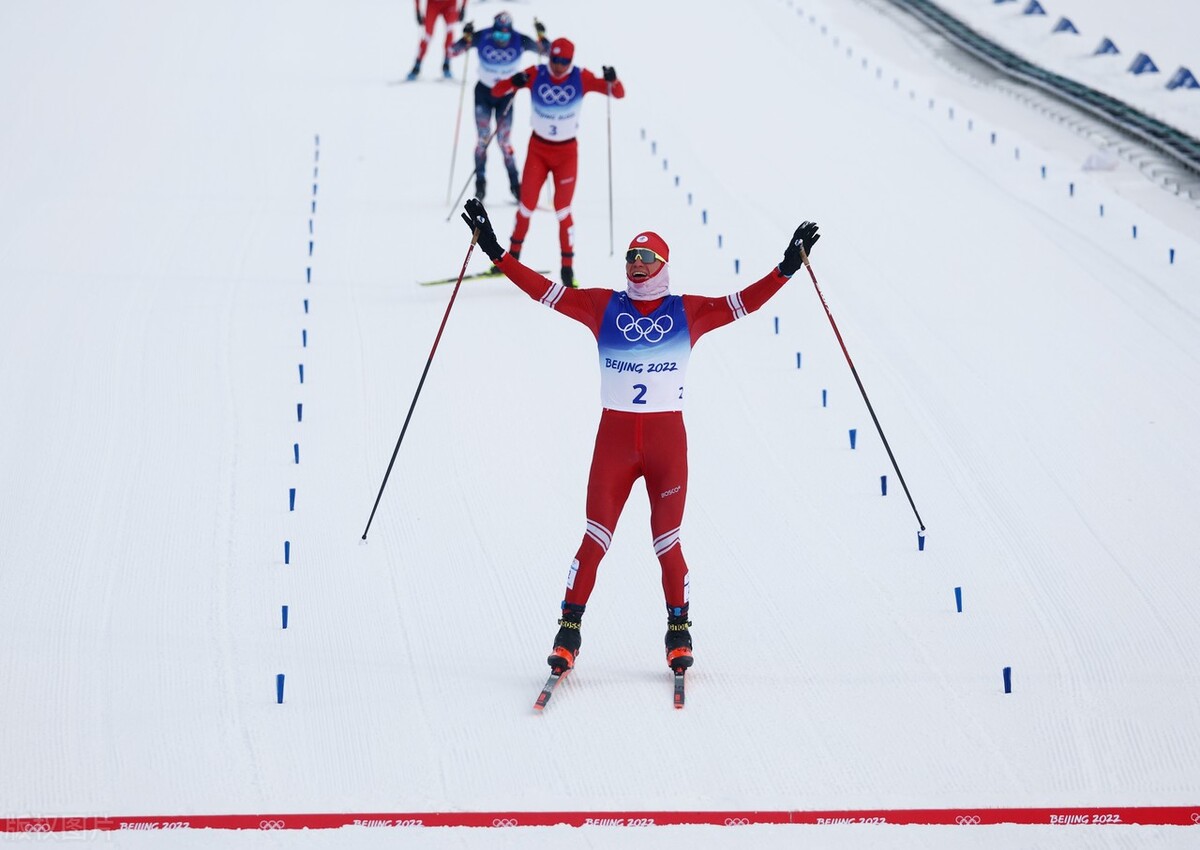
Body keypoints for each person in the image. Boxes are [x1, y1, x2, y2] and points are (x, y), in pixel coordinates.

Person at [459, 197, 821, 675]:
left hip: (666, 444)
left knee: (667, 541)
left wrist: (787, 267)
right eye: (630, 256)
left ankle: (679, 631)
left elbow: (742, 303)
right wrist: (494, 251)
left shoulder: (687, 312)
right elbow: (543, 291)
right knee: (594, 538)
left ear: (663, 265)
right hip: (615, 443)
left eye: (645, 257)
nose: (636, 263)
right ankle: (568, 631)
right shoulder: (601, 305)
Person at [491, 38, 624, 288]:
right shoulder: (536, 73)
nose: (559, 66)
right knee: (526, 206)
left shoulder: (581, 77)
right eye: (555, 59)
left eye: (564, 61)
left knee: (563, 210)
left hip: (566, 153)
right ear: (549, 56)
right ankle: (512, 259)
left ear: (571, 61)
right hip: (538, 149)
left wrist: (612, 79)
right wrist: (513, 82)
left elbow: (618, 93)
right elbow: (497, 91)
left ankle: (567, 270)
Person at [448, 13, 550, 202]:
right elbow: (452, 51)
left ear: (510, 33)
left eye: (505, 37)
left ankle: (515, 185)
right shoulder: (482, 36)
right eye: (498, 36)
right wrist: (466, 37)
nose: (501, 40)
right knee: (482, 140)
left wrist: (541, 36)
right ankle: (480, 184)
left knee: (504, 142)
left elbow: (548, 53)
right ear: (492, 31)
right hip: (483, 94)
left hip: (506, 96)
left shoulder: (520, 39)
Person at [407, 0, 465, 81]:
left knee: (450, 30)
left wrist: (463, 8)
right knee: (428, 35)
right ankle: (417, 65)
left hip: (450, 4)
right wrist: (417, 11)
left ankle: (446, 64)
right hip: (433, 4)